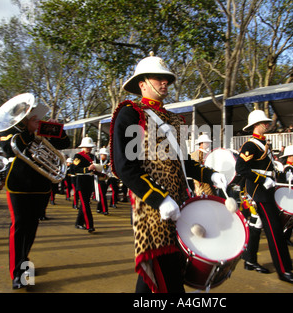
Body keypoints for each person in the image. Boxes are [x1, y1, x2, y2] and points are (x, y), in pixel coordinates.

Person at [110, 53, 227, 293]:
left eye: (167, 79)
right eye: (158, 78)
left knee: (161, 272)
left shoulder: (175, 119)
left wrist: (210, 175)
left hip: (181, 204)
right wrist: (159, 198)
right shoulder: (131, 113)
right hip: (152, 207)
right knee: (167, 274)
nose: (165, 83)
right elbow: (124, 166)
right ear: (142, 84)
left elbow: (185, 162)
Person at [0, 96, 70, 289]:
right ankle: (17, 272)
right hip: (19, 186)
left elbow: (65, 143)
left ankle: (24, 259)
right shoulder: (12, 132)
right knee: (19, 227)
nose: (39, 122)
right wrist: (30, 131)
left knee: (31, 227)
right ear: (24, 120)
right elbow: (8, 148)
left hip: (41, 185)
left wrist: (56, 128)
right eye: (34, 119)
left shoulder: (42, 131)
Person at [235, 110, 293, 283]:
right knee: (274, 231)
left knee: (256, 225)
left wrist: (279, 177)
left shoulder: (263, 144)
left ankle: (250, 259)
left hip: (266, 190)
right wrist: (262, 180)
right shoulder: (251, 145)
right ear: (256, 126)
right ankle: (284, 270)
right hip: (260, 191)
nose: (267, 124)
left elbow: (268, 169)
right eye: (264, 122)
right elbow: (241, 169)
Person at [73, 136, 97, 232]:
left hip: (90, 181)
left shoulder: (93, 156)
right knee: (85, 204)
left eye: (90, 147)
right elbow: (74, 169)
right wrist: (87, 169)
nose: (89, 149)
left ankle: (78, 223)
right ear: (82, 147)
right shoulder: (78, 156)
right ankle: (89, 225)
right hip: (81, 182)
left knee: (84, 203)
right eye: (87, 147)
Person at [95, 147, 110, 215]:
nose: (104, 156)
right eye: (103, 155)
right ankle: (104, 209)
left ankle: (99, 208)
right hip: (100, 179)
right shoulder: (97, 161)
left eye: (105, 155)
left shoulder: (109, 162)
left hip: (106, 179)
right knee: (102, 195)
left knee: (102, 194)